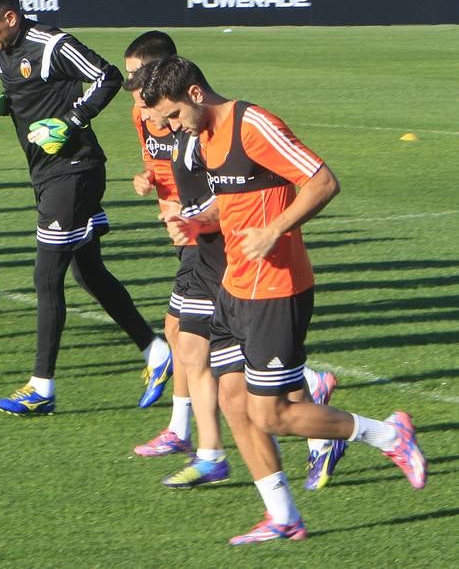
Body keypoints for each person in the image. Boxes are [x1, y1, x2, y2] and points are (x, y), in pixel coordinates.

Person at [139, 56, 427, 544]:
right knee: (233, 403)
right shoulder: (201, 136)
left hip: (277, 288)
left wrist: (275, 230)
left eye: (171, 115)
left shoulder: (252, 124)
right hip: (233, 285)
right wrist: (200, 222)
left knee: (270, 413)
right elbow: (237, 201)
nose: (168, 127)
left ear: (194, 94)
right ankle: (283, 516)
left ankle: (388, 435)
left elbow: (322, 180)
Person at [0, 0, 171, 415]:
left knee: (46, 277)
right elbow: (33, 92)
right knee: (88, 273)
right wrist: (6, 102)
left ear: (10, 18)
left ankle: (42, 388)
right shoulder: (1, 50)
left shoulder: (52, 44)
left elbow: (108, 76)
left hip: (73, 172)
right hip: (47, 174)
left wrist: (71, 121)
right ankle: (155, 351)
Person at [122, 31, 231, 488]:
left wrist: (195, 217)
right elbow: (158, 162)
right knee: (197, 341)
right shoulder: (146, 114)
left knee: (195, 339)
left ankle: (186, 435)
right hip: (186, 230)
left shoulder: (201, 123)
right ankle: (196, 442)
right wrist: (148, 180)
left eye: (136, 76)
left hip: (208, 239)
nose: (132, 88)